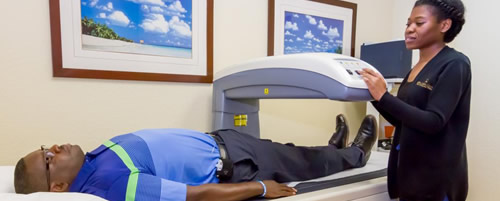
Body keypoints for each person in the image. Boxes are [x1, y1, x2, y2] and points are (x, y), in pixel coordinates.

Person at [14, 114, 377, 201]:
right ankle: (355, 155)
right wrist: (262, 188)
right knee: (300, 162)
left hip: (225, 144)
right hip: (236, 165)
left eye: (48, 147)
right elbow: (193, 195)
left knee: (290, 150)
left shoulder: (93, 159)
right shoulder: (111, 184)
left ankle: (332, 149)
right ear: (58, 187)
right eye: (48, 159)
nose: (56, 149)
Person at [358, 0, 470, 201]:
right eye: (408, 23)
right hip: (409, 175)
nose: (409, 29)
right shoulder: (417, 68)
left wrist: (384, 96)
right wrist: (374, 96)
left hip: (435, 181)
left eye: (419, 23)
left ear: (444, 25)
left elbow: (433, 122)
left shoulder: (455, 64)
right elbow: (404, 122)